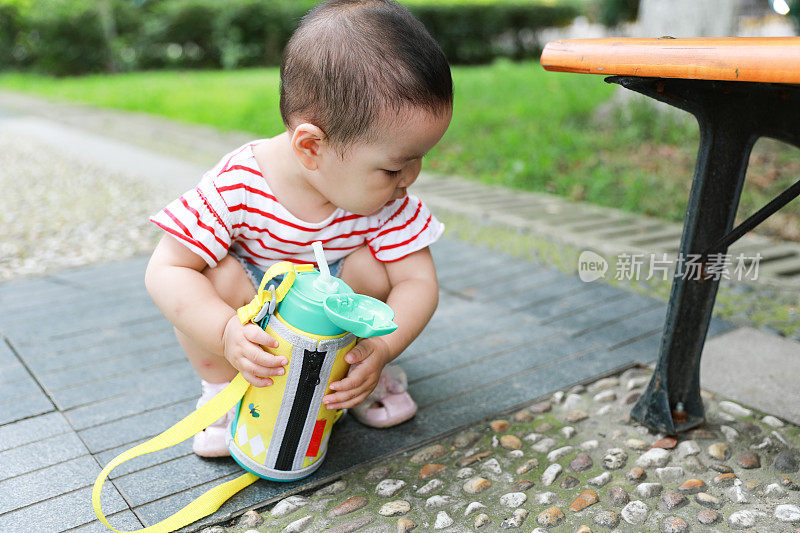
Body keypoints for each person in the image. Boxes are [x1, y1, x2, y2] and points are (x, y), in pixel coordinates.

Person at [144, 0, 453, 457]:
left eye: (418, 159)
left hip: (337, 318)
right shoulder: (238, 185)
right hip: (258, 320)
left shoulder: (388, 200)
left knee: (381, 266)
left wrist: (384, 347)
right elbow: (165, 270)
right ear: (311, 147)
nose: (410, 177)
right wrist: (226, 331)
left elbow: (418, 281)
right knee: (210, 274)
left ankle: (356, 372)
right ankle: (223, 393)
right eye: (393, 167)